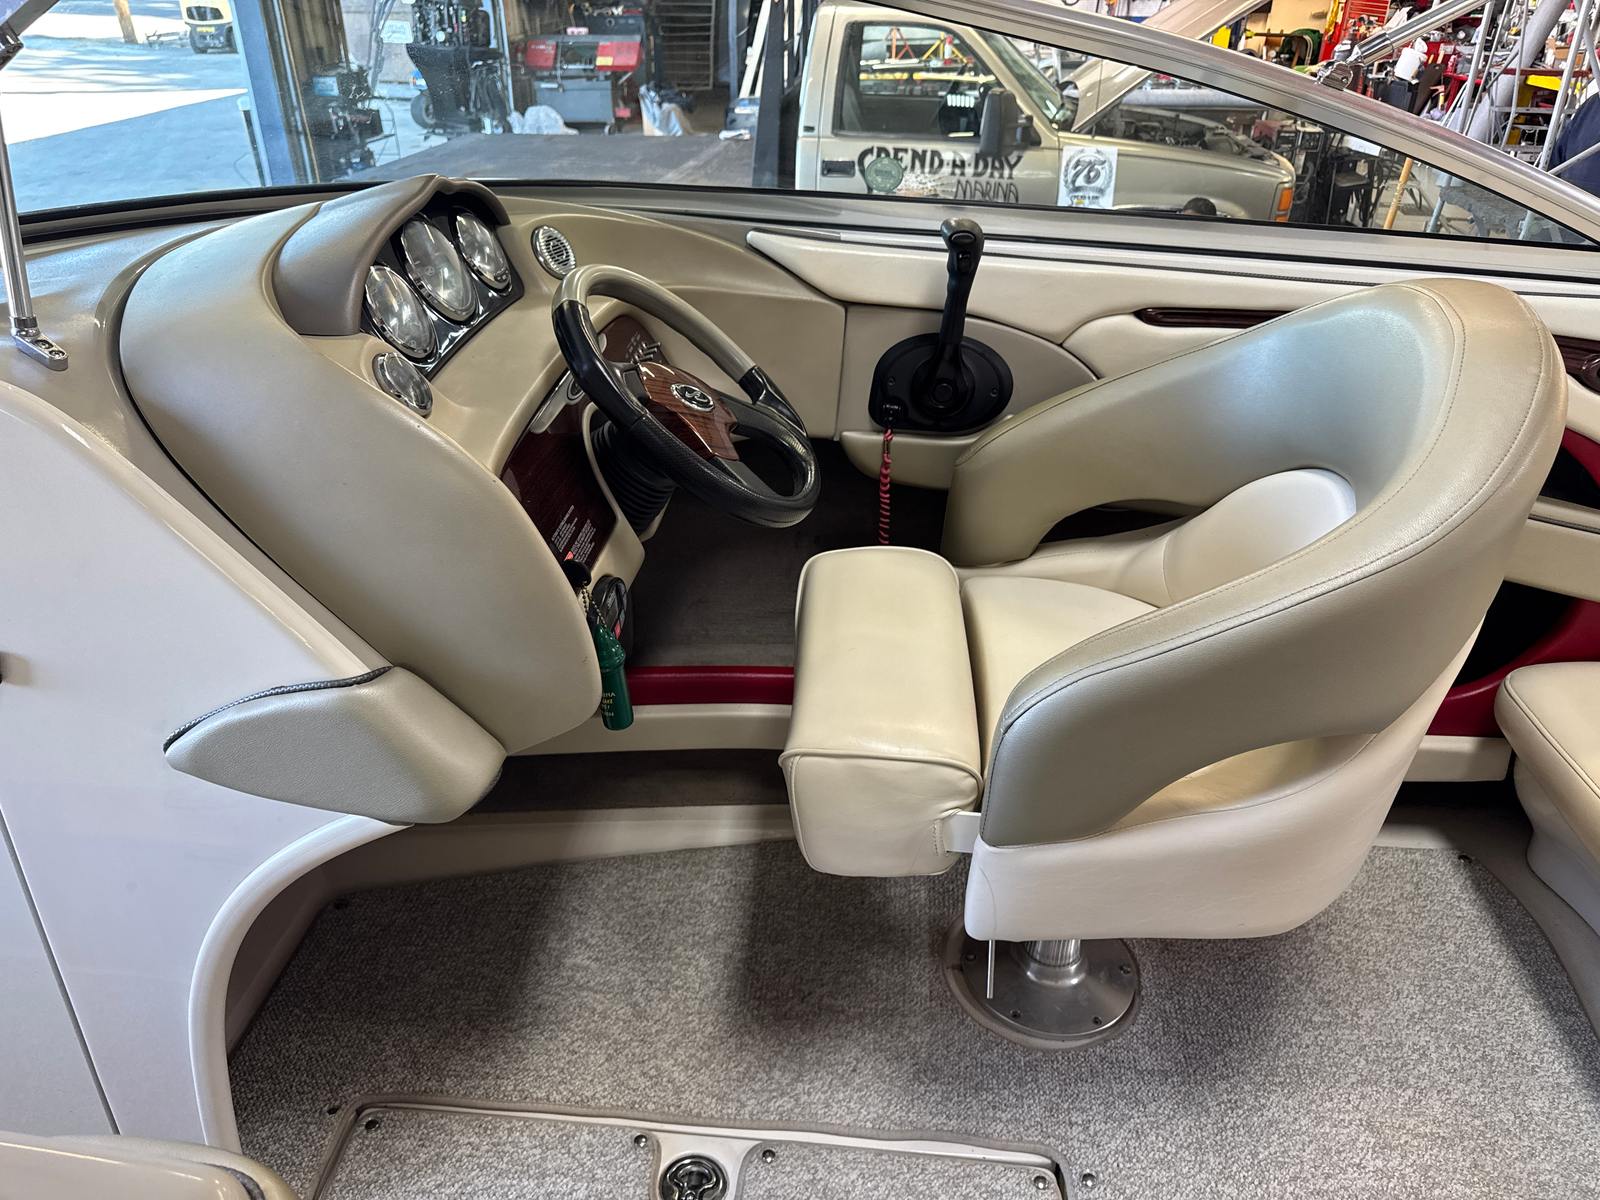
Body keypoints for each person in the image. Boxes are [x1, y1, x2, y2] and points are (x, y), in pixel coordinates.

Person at [1550, 91, 1600, 198]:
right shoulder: (1591, 104)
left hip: (1570, 197)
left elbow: (1555, 160)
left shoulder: (1590, 105)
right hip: (1569, 196)